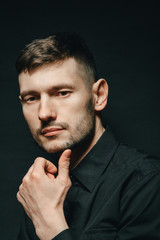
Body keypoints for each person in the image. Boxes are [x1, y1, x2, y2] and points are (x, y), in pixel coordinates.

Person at [16, 32, 160, 240]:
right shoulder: (39, 190)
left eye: (62, 93)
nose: (44, 113)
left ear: (99, 96)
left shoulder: (148, 183)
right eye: (31, 98)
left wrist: (50, 225)